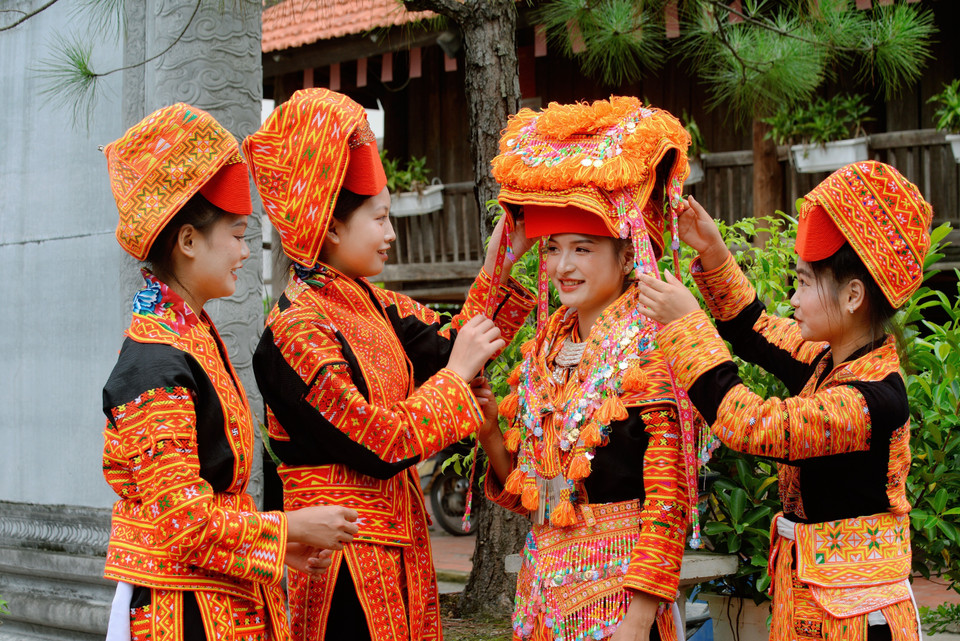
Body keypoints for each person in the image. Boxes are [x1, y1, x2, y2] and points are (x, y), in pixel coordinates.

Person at [244, 88, 536, 641]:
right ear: (330, 227)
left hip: (399, 551)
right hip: (339, 568)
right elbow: (376, 443)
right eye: (380, 218)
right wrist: (455, 380)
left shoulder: (374, 305)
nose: (391, 234)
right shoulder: (294, 333)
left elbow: (453, 341)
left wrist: (503, 257)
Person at [636, 160, 932, 641]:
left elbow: (751, 425)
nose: (793, 299)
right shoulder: (829, 359)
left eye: (804, 282)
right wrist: (712, 250)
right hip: (811, 600)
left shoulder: (874, 399)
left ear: (853, 295)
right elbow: (753, 328)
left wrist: (686, 327)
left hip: (860, 619)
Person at [100, 103, 359, 641]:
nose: (245, 251)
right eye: (238, 235)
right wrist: (288, 528)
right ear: (188, 241)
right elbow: (184, 522)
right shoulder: (154, 364)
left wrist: (280, 547)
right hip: (183, 614)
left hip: (216, 598)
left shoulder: (187, 336)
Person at [478, 96, 700, 641]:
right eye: (553, 248)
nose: (563, 266)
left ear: (626, 257)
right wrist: (490, 434)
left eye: (582, 249)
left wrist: (639, 620)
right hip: (541, 597)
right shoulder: (544, 350)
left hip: (619, 602)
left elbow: (668, 501)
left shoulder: (652, 350)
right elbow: (530, 493)